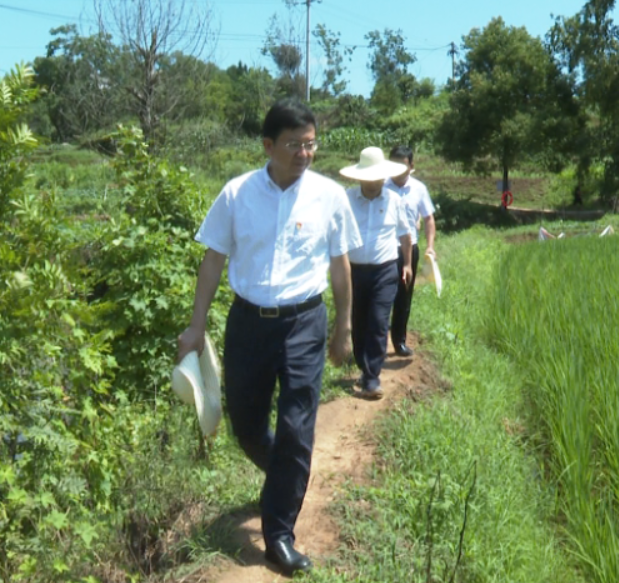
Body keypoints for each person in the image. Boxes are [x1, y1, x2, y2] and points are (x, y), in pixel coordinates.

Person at [176, 99, 362, 576]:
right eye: (294, 145)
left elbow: (340, 265)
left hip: (304, 322)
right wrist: (196, 327)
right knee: (245, 424)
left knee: (299, 426)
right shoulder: (237, 194)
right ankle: (287, 472)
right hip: (248, 322)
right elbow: (213, 260)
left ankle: (278, 533)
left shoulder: (329, 196)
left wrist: (343, 328)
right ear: (267, 146)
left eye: (311, 145)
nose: (304, 154)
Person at [341, 147, 413, 399]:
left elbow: (405, 235)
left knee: (378, 321)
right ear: (359, 177)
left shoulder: (394, 200)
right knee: (359, 321)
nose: (373, 183)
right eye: (368, 178)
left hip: (385, 270)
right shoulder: (346, 199)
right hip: (354, 270)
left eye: (377, 178)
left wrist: (406, 264)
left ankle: (372, 377)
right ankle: (363, 365)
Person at [385, 145, 436, 357]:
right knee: (382, 296)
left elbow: (428, 219)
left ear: (411, 166)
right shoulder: (381, 187)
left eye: (402, 165)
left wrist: (430, 246)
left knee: (403, 296)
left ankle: (399, 341)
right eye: (394, 165)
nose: (398, 169)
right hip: (385, 249)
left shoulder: (419, 189)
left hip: (409, 249)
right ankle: (376, 342)